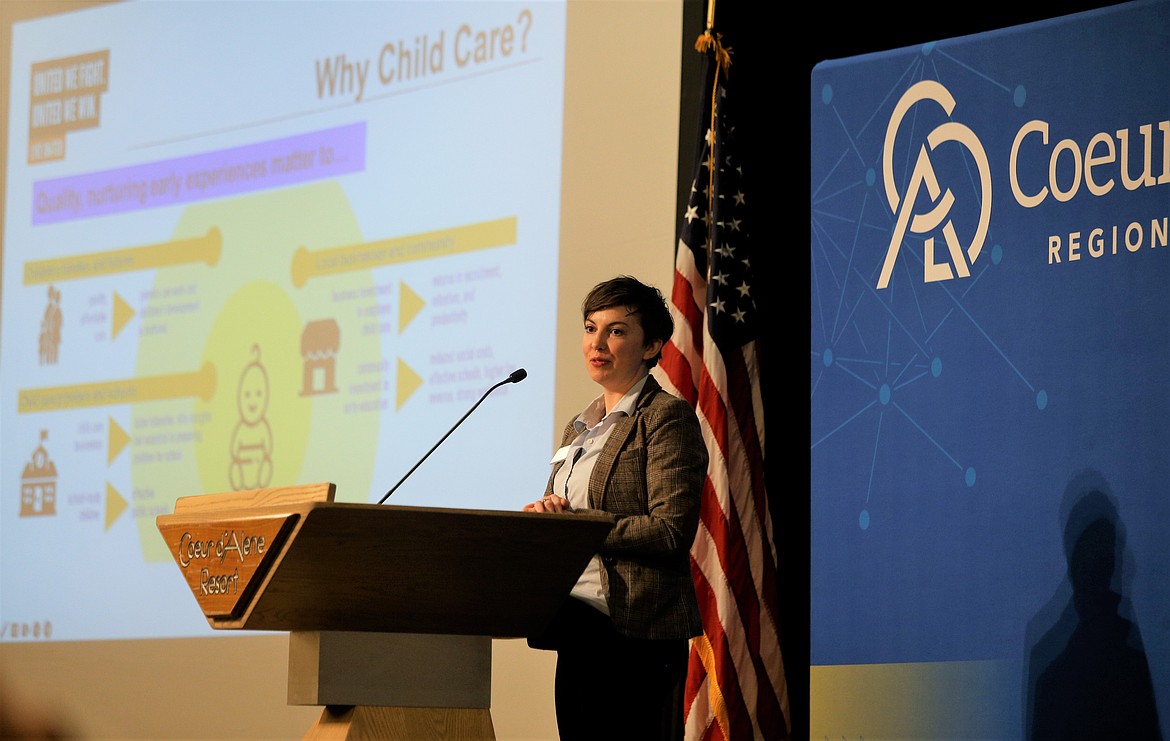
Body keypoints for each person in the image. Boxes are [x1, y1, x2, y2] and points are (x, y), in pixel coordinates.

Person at [524, 275, 707, 741]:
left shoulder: (664, 417)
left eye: (617, 330)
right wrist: (547, 516)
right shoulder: (578, 428)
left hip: (633, 633)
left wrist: (578, 527)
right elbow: (567, 515)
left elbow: (670, 530)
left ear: (652, 346)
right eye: (590, 328)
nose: (597, 343)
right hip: (575, 626)